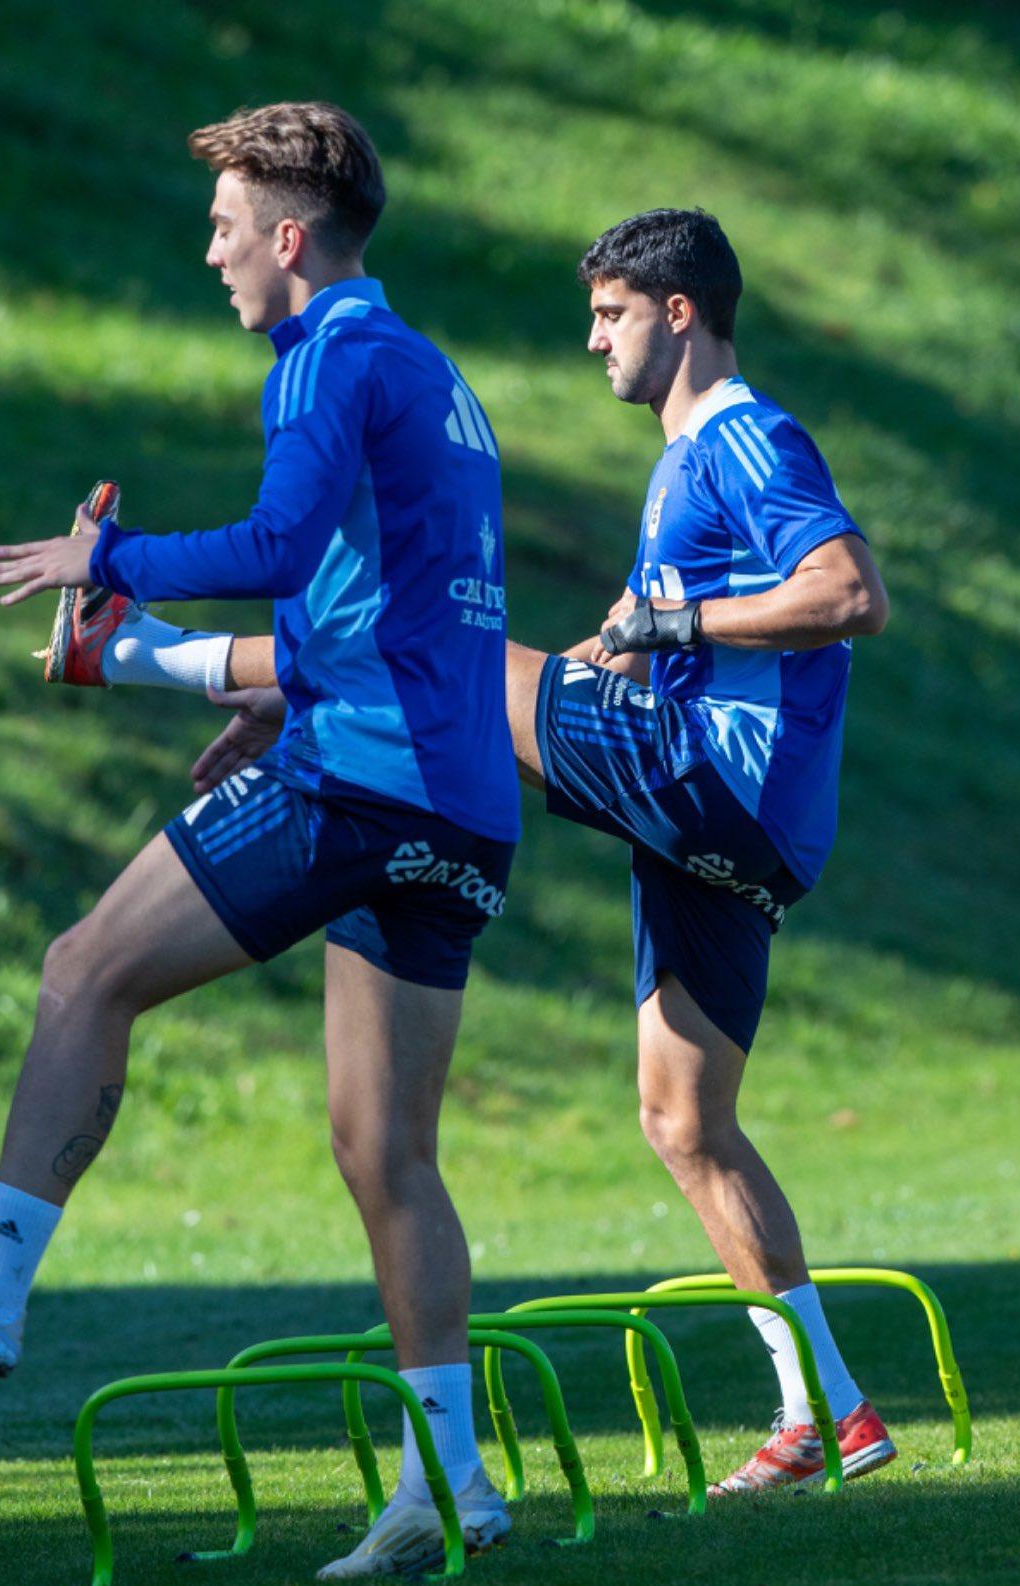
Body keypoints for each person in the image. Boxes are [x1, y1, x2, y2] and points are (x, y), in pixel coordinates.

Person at [70, 206, 897, 1496]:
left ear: (679, 314)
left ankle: (127, 651)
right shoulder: (689, 464)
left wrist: (671, 620)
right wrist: (628, 638)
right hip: (738, 837)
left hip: (721, 779)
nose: (590, 340)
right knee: (684, 1121)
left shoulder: (747, 434)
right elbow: (594, 664)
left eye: (611, 315)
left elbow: (850, 595)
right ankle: (829, 1411)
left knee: (437, 653)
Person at [0, 101, 521, 1577]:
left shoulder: (325, 356)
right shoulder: (428, 371)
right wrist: (236, 691)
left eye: (223, 229)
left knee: (85, 969)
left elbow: (279, 546)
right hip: (462, 805)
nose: (209, 254)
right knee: (385, 1149)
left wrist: (110, 564)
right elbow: (369, 610)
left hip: (368, 783)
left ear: (290, 238)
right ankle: (451, 1478)